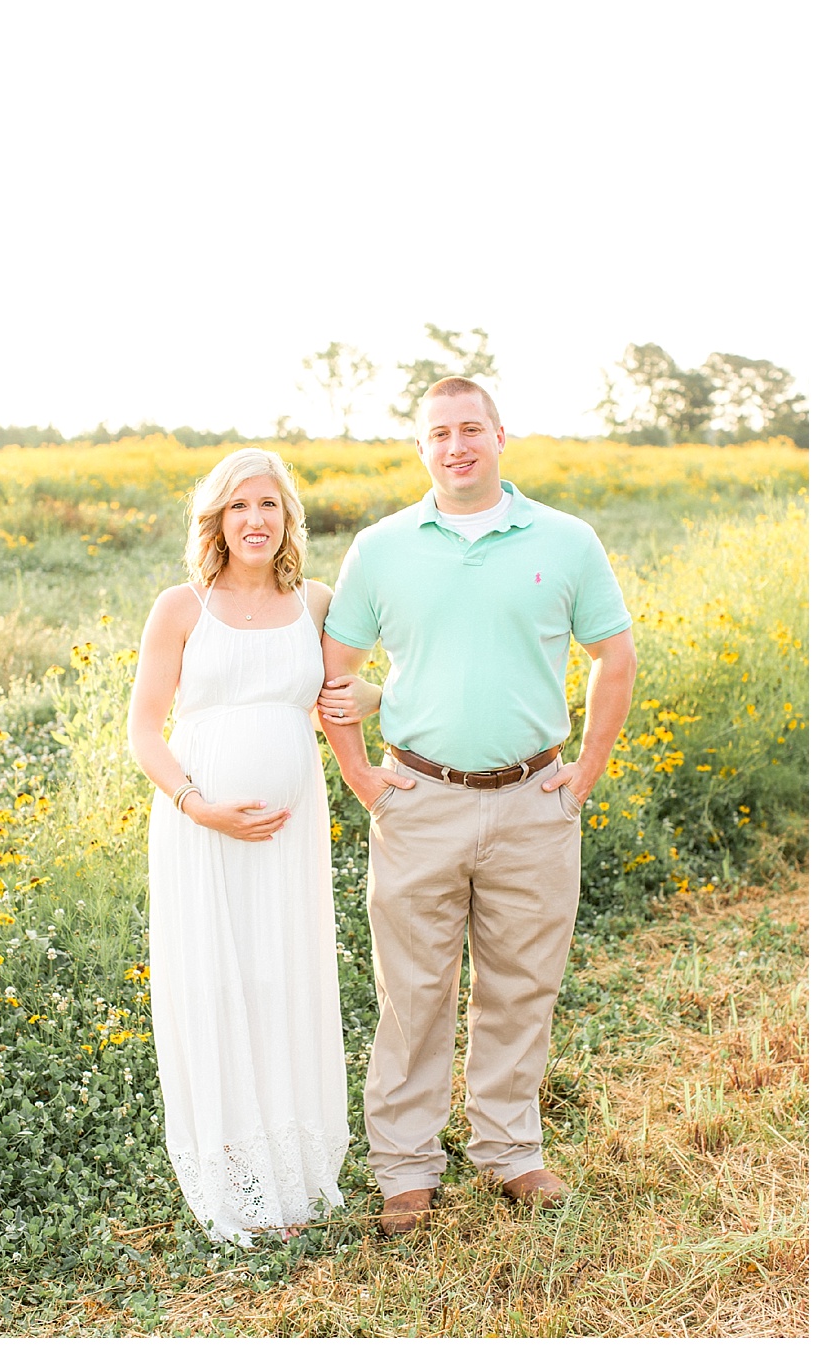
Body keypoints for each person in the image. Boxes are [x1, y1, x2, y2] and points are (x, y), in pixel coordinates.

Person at [320, 376, 636, 1236]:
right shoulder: (380, 549)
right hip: (420, 798)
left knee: (521, 987)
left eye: (471, 429)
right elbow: (334, 670)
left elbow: (616, 654)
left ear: (501, 435)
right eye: (439, 434)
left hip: (536, 798)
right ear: (420, 448)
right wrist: (361, 779)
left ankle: (508, 1152)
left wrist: (586, 773)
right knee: (413, 992)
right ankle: (406, 1168)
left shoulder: (566, 541)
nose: (456, 445)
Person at [127, 446, 376, 1242]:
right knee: (215, 987)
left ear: (289, 518)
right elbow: (142, 732)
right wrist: (199, 805)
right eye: (239, 507)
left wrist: (374, 704)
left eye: (269, 505)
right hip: (202, 831)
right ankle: (235, 1182)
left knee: (283, 979)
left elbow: (344, 699)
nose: (256, 521)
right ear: (217, 520)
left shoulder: (317, 603)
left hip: (290, 836)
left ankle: (297, 1174)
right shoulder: (181, 607)